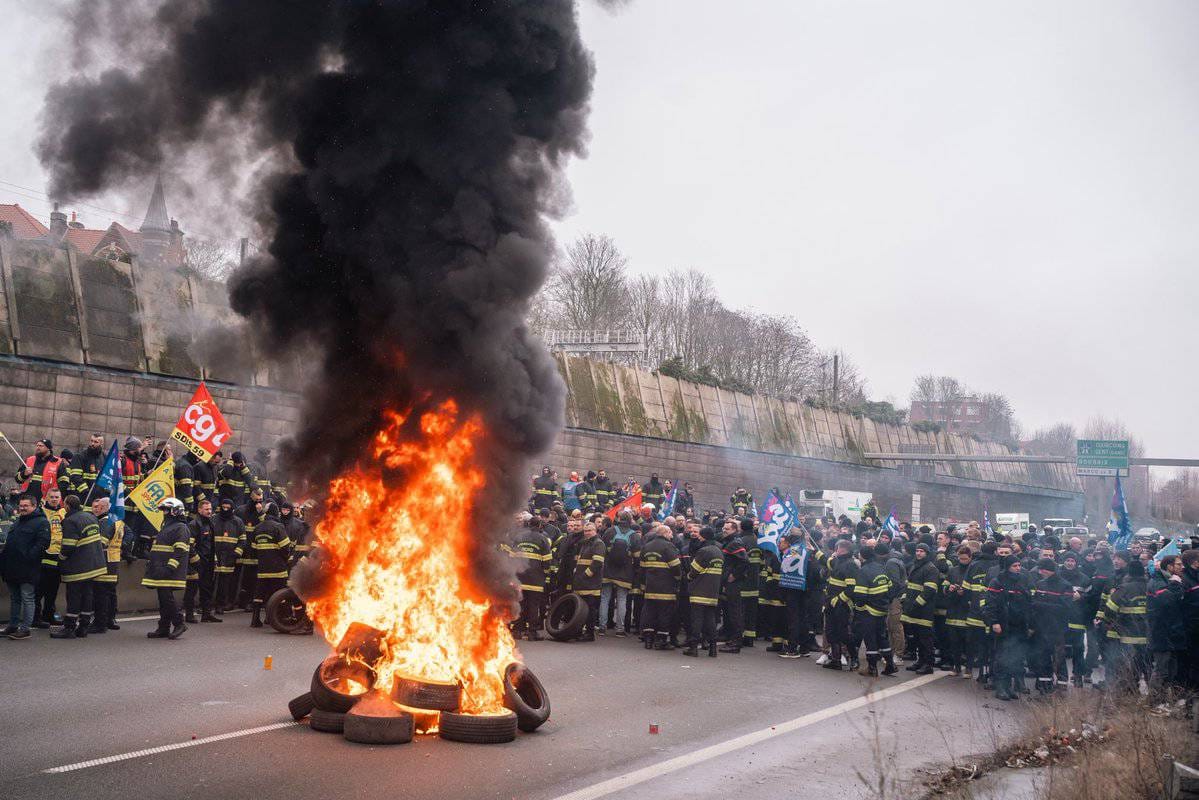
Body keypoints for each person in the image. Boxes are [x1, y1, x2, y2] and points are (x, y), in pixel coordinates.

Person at [51, 495, 107, 639]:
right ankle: (83, 627)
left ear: (67, 506)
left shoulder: (70, 521)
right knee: (87, 595)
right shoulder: (91, 517)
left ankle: (69, 627)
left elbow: (68, 546)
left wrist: (60, 559)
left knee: (73, 596)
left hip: (78, 566)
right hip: (94, 564)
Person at [0, 495, 51, 639]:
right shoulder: (18, 521)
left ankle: (25, 629)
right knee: (15, 598)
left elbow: (43, 544)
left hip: (28, 567)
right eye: (21, 505)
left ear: (34, 506)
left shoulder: (41, 522)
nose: (22, 508)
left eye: (26, 506)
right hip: (12, 567)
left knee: (27, 597)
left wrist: (29, 557)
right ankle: (13, 626)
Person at [142, 497, 191, 640]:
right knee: (163, 599)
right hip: (160, 568)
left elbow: (180, 550)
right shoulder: (167, 526)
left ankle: (179, 623)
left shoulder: (181, 528)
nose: (164, 513)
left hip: (169, 569)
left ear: (175, 511)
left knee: (167, 598)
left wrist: (170, 566)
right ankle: (163, 627)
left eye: (166, 510)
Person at [984, 555, 1032, 701]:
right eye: (1014, 566)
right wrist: (994, 622)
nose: (1018, 568)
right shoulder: (997, 581)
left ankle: (1009, 687)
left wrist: (1029, 624)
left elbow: (1029, 603)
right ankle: (1000, 687)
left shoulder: (1023, 580)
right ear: (1007, 567)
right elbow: (991, 604)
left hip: (1019, 625)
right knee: (1002, 656)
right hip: (1003, 625)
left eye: (1019, 565)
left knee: (1015, 657)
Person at [1146, 553, 1187, 704]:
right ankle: (1153, 702)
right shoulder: (1158, 582)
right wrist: (1175, 585)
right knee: (1161, 670)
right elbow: (1168, 602)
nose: (1182, 567)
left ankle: (1163, 701)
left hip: (1171, 632)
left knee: (1171, 670)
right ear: (1169, 567)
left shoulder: (1167, 580)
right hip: (1161, 632)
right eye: (1178, 564)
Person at [504, 514, 552, 640]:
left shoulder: (519, 537)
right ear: (540, 526)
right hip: (536, 580)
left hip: (520, 578)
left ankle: (517, 631)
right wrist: (545, 575)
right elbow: (547, 561)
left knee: (521, 604)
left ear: (528, 524)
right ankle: (532, 632)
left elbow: (511, 557)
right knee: (533, 606)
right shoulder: (543, 539)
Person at [852, 541, 896, 676]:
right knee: (882, 637)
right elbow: (891, 588)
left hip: (868, 611)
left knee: (870, 638)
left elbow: (860, 594)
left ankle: (872, 668)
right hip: (882, 609)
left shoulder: (863, 571)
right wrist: (885, 603)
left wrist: (859, 606)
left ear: (862, 556)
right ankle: (890, 665)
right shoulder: (882, 567)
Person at [1107, 559, 1150, 694]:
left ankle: (1130, 691)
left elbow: (1109, 609)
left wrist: (1114, 622)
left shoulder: (1124, 588)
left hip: (1128, 636)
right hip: (1149, 636)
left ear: (1129, 573)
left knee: (1129, 665)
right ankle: (1155, 695)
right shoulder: (1151, 587)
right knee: (1148, 666)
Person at [1030, 558, 1071, 695]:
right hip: (1042, 628)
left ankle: (1061, 685)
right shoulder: (1040, 584)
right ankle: (1044, 684)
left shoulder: (1065, 586)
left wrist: (1041, 605)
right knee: (1043, 656)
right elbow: (1033, 604)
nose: (1040, 573)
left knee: (1059, 657)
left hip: (1058, 628)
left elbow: (1065, 608)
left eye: (1041, 570)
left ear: (1047, 570)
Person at [250, 502, 293, 628]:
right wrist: (285, 559)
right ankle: (279, 618)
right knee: (279, 594)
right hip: (278, 569)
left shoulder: (257, 528)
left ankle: (255, 620)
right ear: (276, 512)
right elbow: (285, 547)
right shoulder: (278, 526)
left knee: (259, 594)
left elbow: (253, 549)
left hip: (262, 569)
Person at [639, 523, 682, 650]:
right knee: (664, 613)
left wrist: (643, 584)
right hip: (666, 588)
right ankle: (661, 641)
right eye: (670, 533)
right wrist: (678, 578)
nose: (672, 536)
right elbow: (676, 567)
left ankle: (648, 640)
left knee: (649, 613)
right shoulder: (669, 546)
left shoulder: (646, 546)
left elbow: (642, 569)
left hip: (650, 587)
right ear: (665, 533)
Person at [818, 537, 859, 670]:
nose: (835, 550)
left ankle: (854, 658)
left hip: (842, 605)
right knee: (830, 632)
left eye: (837, 548)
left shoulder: (850, 564)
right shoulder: (838, 561)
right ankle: (836, 660)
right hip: (830, 602)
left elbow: (852, 588)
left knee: (843, 633)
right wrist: (813, 550)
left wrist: (839, 599)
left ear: (842, 550)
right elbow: (826, 561)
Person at [684, 525, 723, 658]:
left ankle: (693, 648)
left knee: (697, 619)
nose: (698, 538)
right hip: (713, 592)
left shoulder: (704, 551)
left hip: (699, 590)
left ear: (704, 537)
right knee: (710, 620)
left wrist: (688, 577)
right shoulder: (718, 551)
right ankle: (713, 649)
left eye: (700, 535)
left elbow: (694, 570)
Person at [901, 541, 939, 674]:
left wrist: (917, 603)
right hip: (913, 608)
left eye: (921, 551)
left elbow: (930, 590)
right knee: (917, 637)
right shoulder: (915, 566)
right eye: (917, 551)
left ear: (927, 553)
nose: (918, 553)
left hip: (923, 610)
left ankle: (928, 664)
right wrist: (905, 599)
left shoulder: (931, 568)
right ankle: (920, 661)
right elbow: (909, 586)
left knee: (925, 639)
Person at [601, 509, 640, 637]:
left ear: (618, 519)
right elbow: (637, 557)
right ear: (631, 521)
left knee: (605, 598)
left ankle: (602, 627)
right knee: (622, 600)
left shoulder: (610, 531)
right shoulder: (634, 535)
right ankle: (619, 629)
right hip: (625, 572)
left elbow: (602, 549)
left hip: (608, 570)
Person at [183, 499, 220, 623]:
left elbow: (210, 544)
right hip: (196, 563)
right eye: (206, 509)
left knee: (207, 589)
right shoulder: (194, 524)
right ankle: (189, 615)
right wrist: (196, 560)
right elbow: (189, 545)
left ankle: (206, 614)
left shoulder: (210, 524)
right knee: (192, 589)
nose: (209, 511)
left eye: (210, 509)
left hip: (207, 562)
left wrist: (214, 559)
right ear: (199, 510)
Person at [35, 487, 67, 628]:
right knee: (39, 590)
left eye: (56, 497)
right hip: (43, 555)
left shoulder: (64, 512)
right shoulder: (40, 512)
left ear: (60, 499)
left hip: (58, 556)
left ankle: (49, 615)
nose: (54, 499)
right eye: (52, 497)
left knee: (53, 590)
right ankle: (36, 617)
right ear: (46, 497)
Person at [91, 496, 123, 633]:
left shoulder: (105, 521)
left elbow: (100, 543)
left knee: (101, 594)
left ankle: (100, 624)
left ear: (104, 507)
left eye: (100, 506)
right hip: (114, 560)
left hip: (104, 561)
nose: (97, 509)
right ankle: (110, 619)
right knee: (110, 593)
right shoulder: (118, 521)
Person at [718, 518, 748, 653]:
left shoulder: (735, 543)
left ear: (735, 530)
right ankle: (730, 637)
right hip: (728, 583)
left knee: (735, 612)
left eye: (727, 529)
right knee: (729, 611)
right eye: (724, 529)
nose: (724, 531)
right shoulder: (728, 542)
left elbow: (744, 561)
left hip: (734, 584)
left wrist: (734, 575)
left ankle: (736, 642)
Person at [571, 521, 605, 641]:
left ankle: (589, 634)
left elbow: (597, 563)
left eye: (590, 530)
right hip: (581, 583)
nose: (587, 533)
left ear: (595, 531)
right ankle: (579, 631)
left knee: (590, 610)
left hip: (591, 583)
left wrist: (586, 575)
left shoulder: (598, 543)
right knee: (581, 610)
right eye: (585, 531)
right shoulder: (585, 543)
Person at [943, 545, 974, 677]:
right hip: (953, 611)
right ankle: (956, 667)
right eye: (960, 559)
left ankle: (969, 668)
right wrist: (948, 588)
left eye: (965, 559)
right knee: (954, 642)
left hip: (967, 611)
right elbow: (944, 586)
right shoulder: (953, 570)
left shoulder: (973, 570)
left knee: (968, 643)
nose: (962, 561)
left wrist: (965, 593)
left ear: (970, 558)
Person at [212, 497, 246, 613]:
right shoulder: (214, 519)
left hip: (229, 557)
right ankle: (206, 605)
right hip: (214, 556)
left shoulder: (238, 522)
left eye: (228, 507)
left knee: (225, 584)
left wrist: (236, 553)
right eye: (223, 507)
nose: (225, 509)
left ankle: (221, 605)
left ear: (232, 509)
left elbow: (243, 540)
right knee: (210, 582)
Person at [70, 433, 106, 500]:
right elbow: (75, 477)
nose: (92, 444)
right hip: (83, 497)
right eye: (91, 441)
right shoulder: (80, 456)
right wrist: (86, 492)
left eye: (96, 442)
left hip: (99, 498)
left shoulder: (105, 457)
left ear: (101, 444)